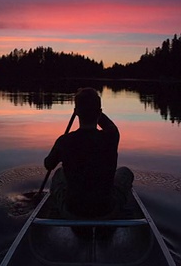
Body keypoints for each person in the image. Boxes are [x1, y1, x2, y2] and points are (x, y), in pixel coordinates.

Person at [44, 87, 134, 219]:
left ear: (76, 112)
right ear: (100, 112)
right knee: (125, 172)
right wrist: (95, 110)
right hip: (107, 209)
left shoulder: (64, 141)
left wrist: (81, 109)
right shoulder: (111, 136)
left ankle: (56, 208)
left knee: (59, 173)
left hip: (73, 211)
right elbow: (109, 126)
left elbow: (48, 164)